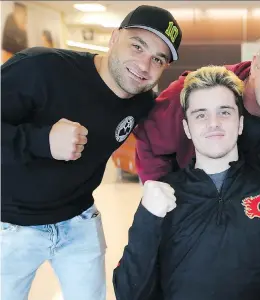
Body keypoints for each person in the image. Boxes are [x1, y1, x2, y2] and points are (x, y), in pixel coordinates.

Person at [1, 5, 182, 300]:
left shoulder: (141, 102)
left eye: (157, 59)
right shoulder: (41, 68)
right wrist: (41, 141)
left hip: (79, 223)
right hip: (10, 225)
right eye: (137, 46)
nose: (144, 65)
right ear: (113, 38)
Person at [113, 65, 260, 300]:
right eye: (200, 115)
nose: (213, 123)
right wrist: (147, 220)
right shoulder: (163, 197)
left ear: (240, 123)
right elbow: (129, 293)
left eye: (224, 112)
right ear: (187, 128)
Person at [133, 23, 260, 218]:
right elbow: (150, 137)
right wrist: (169, 195)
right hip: (193, 221)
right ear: (256, 63)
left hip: (257, 228)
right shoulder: (200, 91)